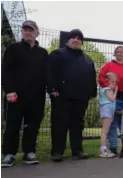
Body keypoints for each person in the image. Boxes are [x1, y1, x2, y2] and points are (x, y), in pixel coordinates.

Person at [1, 20, 48, 168]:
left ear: (36, 33)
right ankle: (9, 154)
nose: (28, 32)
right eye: (25, 30)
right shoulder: (13, 48)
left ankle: (29, 152)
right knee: (12, 125)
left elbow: (46, 74)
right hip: (15, 95)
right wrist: (8, 90)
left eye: (31, 30)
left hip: (36, 96)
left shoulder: (43, 53)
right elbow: (5, 71)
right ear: (22, 32)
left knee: (32, 126)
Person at [47, 29, 97, 162]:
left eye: (79, 38)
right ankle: (57, 151)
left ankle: (77, 149)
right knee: (59, 124)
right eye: (73, 38)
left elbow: (92, 76)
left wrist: (92, 92)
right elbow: (49, 73)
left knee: (77, 125)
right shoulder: (57, 54)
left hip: (81, 97)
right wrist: (52, 89)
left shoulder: (87, 59)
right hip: (61, 96)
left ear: (81, 42)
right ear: (68, 40)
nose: (76, 40)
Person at [98, 46, 123, 155]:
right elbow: (101, 77)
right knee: (112, 124)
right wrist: (110, 87)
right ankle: (113, 147)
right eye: (117, 52)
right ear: (114, 54)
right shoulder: (108, 65)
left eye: (122, 52)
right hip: (111, 97)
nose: (119, 53)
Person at [98, 72, 118, 158]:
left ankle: (105, 148)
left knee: (106, 131)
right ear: (108, 81)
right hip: (107, 111)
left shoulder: (104, 89)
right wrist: (116, 90)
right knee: (105, 131)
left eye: (115, 82)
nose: (114, 84)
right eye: (113, 82)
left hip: (107, 111)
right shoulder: (107, 89)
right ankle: (103, 149)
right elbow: (112, 99)